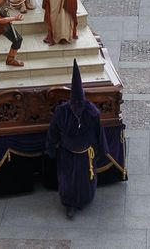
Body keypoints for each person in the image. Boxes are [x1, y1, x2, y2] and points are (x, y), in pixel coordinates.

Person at [45, 62, 107, 219]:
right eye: (75, 103)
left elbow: (99, 132)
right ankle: (70, 204)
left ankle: (85, 199)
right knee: (68, 181)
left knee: (85, 179)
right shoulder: (62, 112)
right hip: (67, 154)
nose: (77, 106)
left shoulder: (92, 113)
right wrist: (51, 148)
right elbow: (53, 131)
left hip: (86, 154)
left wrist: (102, 150)